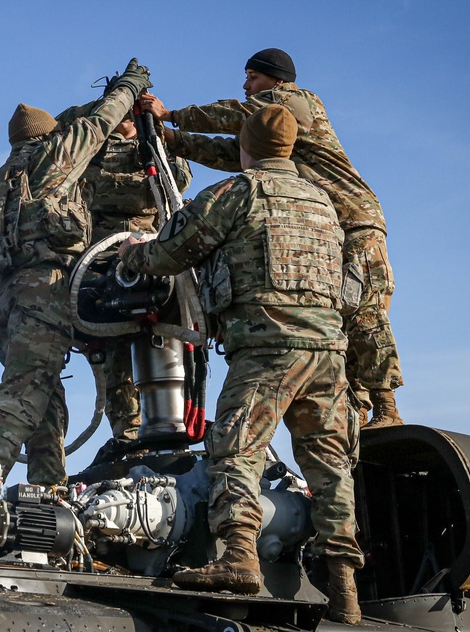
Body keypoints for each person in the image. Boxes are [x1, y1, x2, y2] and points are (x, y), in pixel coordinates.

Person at [118, 105, 363, 624]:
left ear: (245, 147)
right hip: (328, 355)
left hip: (267, 349)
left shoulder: (240, 192)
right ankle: (344, 586)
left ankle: (238, 557)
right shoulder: (323, 202)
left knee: (235, 449)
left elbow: (171, 251)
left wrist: (131, 255)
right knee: (330, 467)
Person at [141, 48, 403, 428]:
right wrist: (170, 139)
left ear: (276, 80)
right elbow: (236, 152)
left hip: (353, 219)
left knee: (364, 311)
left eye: (253, 78)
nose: (246, 86)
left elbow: (236, 115)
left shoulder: (296, 101)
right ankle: (358, 406)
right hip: (321, 222)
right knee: (333, 317)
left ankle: (386, 408)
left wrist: (172, 115)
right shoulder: (274, 127)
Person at [0, 59, 152, 485]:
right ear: (48, 135)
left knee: (48, 400)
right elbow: (102, 120)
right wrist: (130, 86)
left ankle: (47, 496)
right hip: (45, 292)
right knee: (27, 389)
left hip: (9, 300)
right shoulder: (54, 155)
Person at [52, 105, 192, 440]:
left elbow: (177, 183)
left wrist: (152, 138)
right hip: (103, 268)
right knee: (117, 371)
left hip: (156, 267)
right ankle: (129, 442)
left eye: (133, 113)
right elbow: (90, 190)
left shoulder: (156, 147)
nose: (127, 118)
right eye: (122, 111)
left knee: (172, 361)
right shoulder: (90, 151)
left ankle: (175, 434)